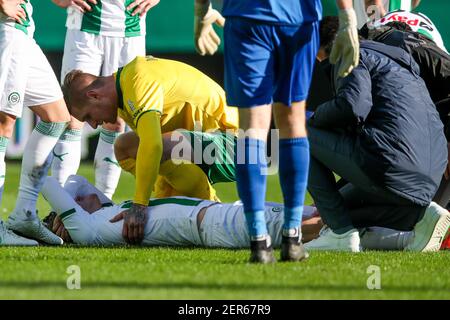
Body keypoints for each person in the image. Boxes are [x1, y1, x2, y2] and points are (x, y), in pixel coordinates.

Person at [193, 0, 360, 263]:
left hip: (248, 17)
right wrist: (347, 15)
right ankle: (292, 238)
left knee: (252, 129)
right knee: (293, 122)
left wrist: (202, 10)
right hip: (297, 20)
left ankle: (258, 241)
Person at [61, 55, 239, 244]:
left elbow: (154, 146)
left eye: (88, 116)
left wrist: (139, 206)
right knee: (125, 147)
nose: (94, 125)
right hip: (201, 149)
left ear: (94, 95)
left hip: (239, 147)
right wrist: (159, 204)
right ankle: (210, 207)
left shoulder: (137, 78)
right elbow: (157, 163)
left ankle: (209, 205)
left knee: (154, 146)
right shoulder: (125, 93)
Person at [305, 25, 450, 252]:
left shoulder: (350, 53)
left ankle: (340, 233)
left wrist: (313, 120)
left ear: (319, 50)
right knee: (340, 206)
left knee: (298, 135)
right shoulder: (402, 67)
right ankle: (422, 216)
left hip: (394, 164)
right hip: (430, 177)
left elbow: (353, 107)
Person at [42, 174, 420, 251]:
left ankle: (411, 233)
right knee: (313, 225)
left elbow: (75, 181)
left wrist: (71, 203)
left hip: (220, 215)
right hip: (213, 225)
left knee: (318, 212)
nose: (86, 198)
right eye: (64, 213)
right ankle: (408, 228)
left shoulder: (109, 210)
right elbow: (54, 184)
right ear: (65, 222)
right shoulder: (88, 229)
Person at [50, 0, 160, 198]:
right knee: (72, 117)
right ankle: (61, 207)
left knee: (117, 119)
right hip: (84, 29)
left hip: (130, 31)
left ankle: (104, 202)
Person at [0, 0, 71, 246]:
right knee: (3, 123)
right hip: (5, 28)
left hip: (23, 30)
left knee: (57, 118)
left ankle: (24, 214)